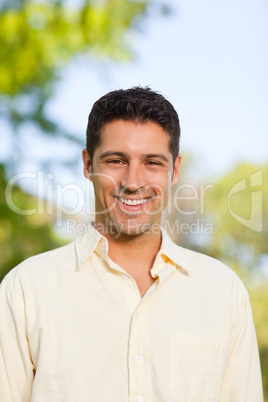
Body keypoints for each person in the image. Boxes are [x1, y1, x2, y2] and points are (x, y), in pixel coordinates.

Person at [0, 87, 263, 402]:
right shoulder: (25, 291)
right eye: (115, 160)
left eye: (152, 162)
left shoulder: (223, 293)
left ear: (175, 170)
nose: (133, 181)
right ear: (87, 165)